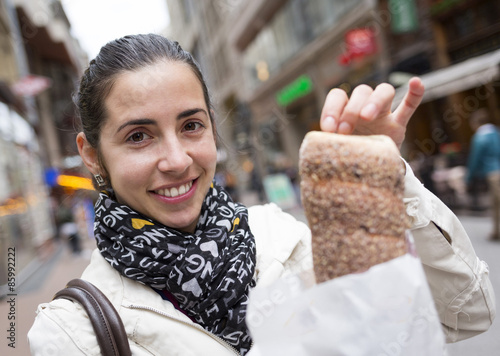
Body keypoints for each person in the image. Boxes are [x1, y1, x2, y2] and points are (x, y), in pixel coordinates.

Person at [28, 34, 495, 355]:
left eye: (191, 126)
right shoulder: (73, 332)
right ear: (91, 154)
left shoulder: (281, 238)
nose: (175, 159)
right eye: (138, 137)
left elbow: (463, 315)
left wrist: (381, 177)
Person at [466, 108, 500, 240]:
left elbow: (475, 159)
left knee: (497, 201)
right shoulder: (496, 132)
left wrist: (468, 177)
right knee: (495, 202)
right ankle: (496, 231)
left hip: (492, 173)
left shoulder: (479, 137)